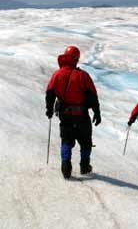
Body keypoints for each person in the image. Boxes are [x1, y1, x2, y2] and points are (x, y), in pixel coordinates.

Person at [45, 45, 101, 179]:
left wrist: (49, 109)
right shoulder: (82, 75)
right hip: (82, 116)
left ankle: (65, 166)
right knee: (86, 142)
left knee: (66, 140)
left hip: (65, 115)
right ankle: (84, 166)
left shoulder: (56, 74)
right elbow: (92, 96)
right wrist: (97, 113)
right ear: (76, 59)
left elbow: (50, 93)